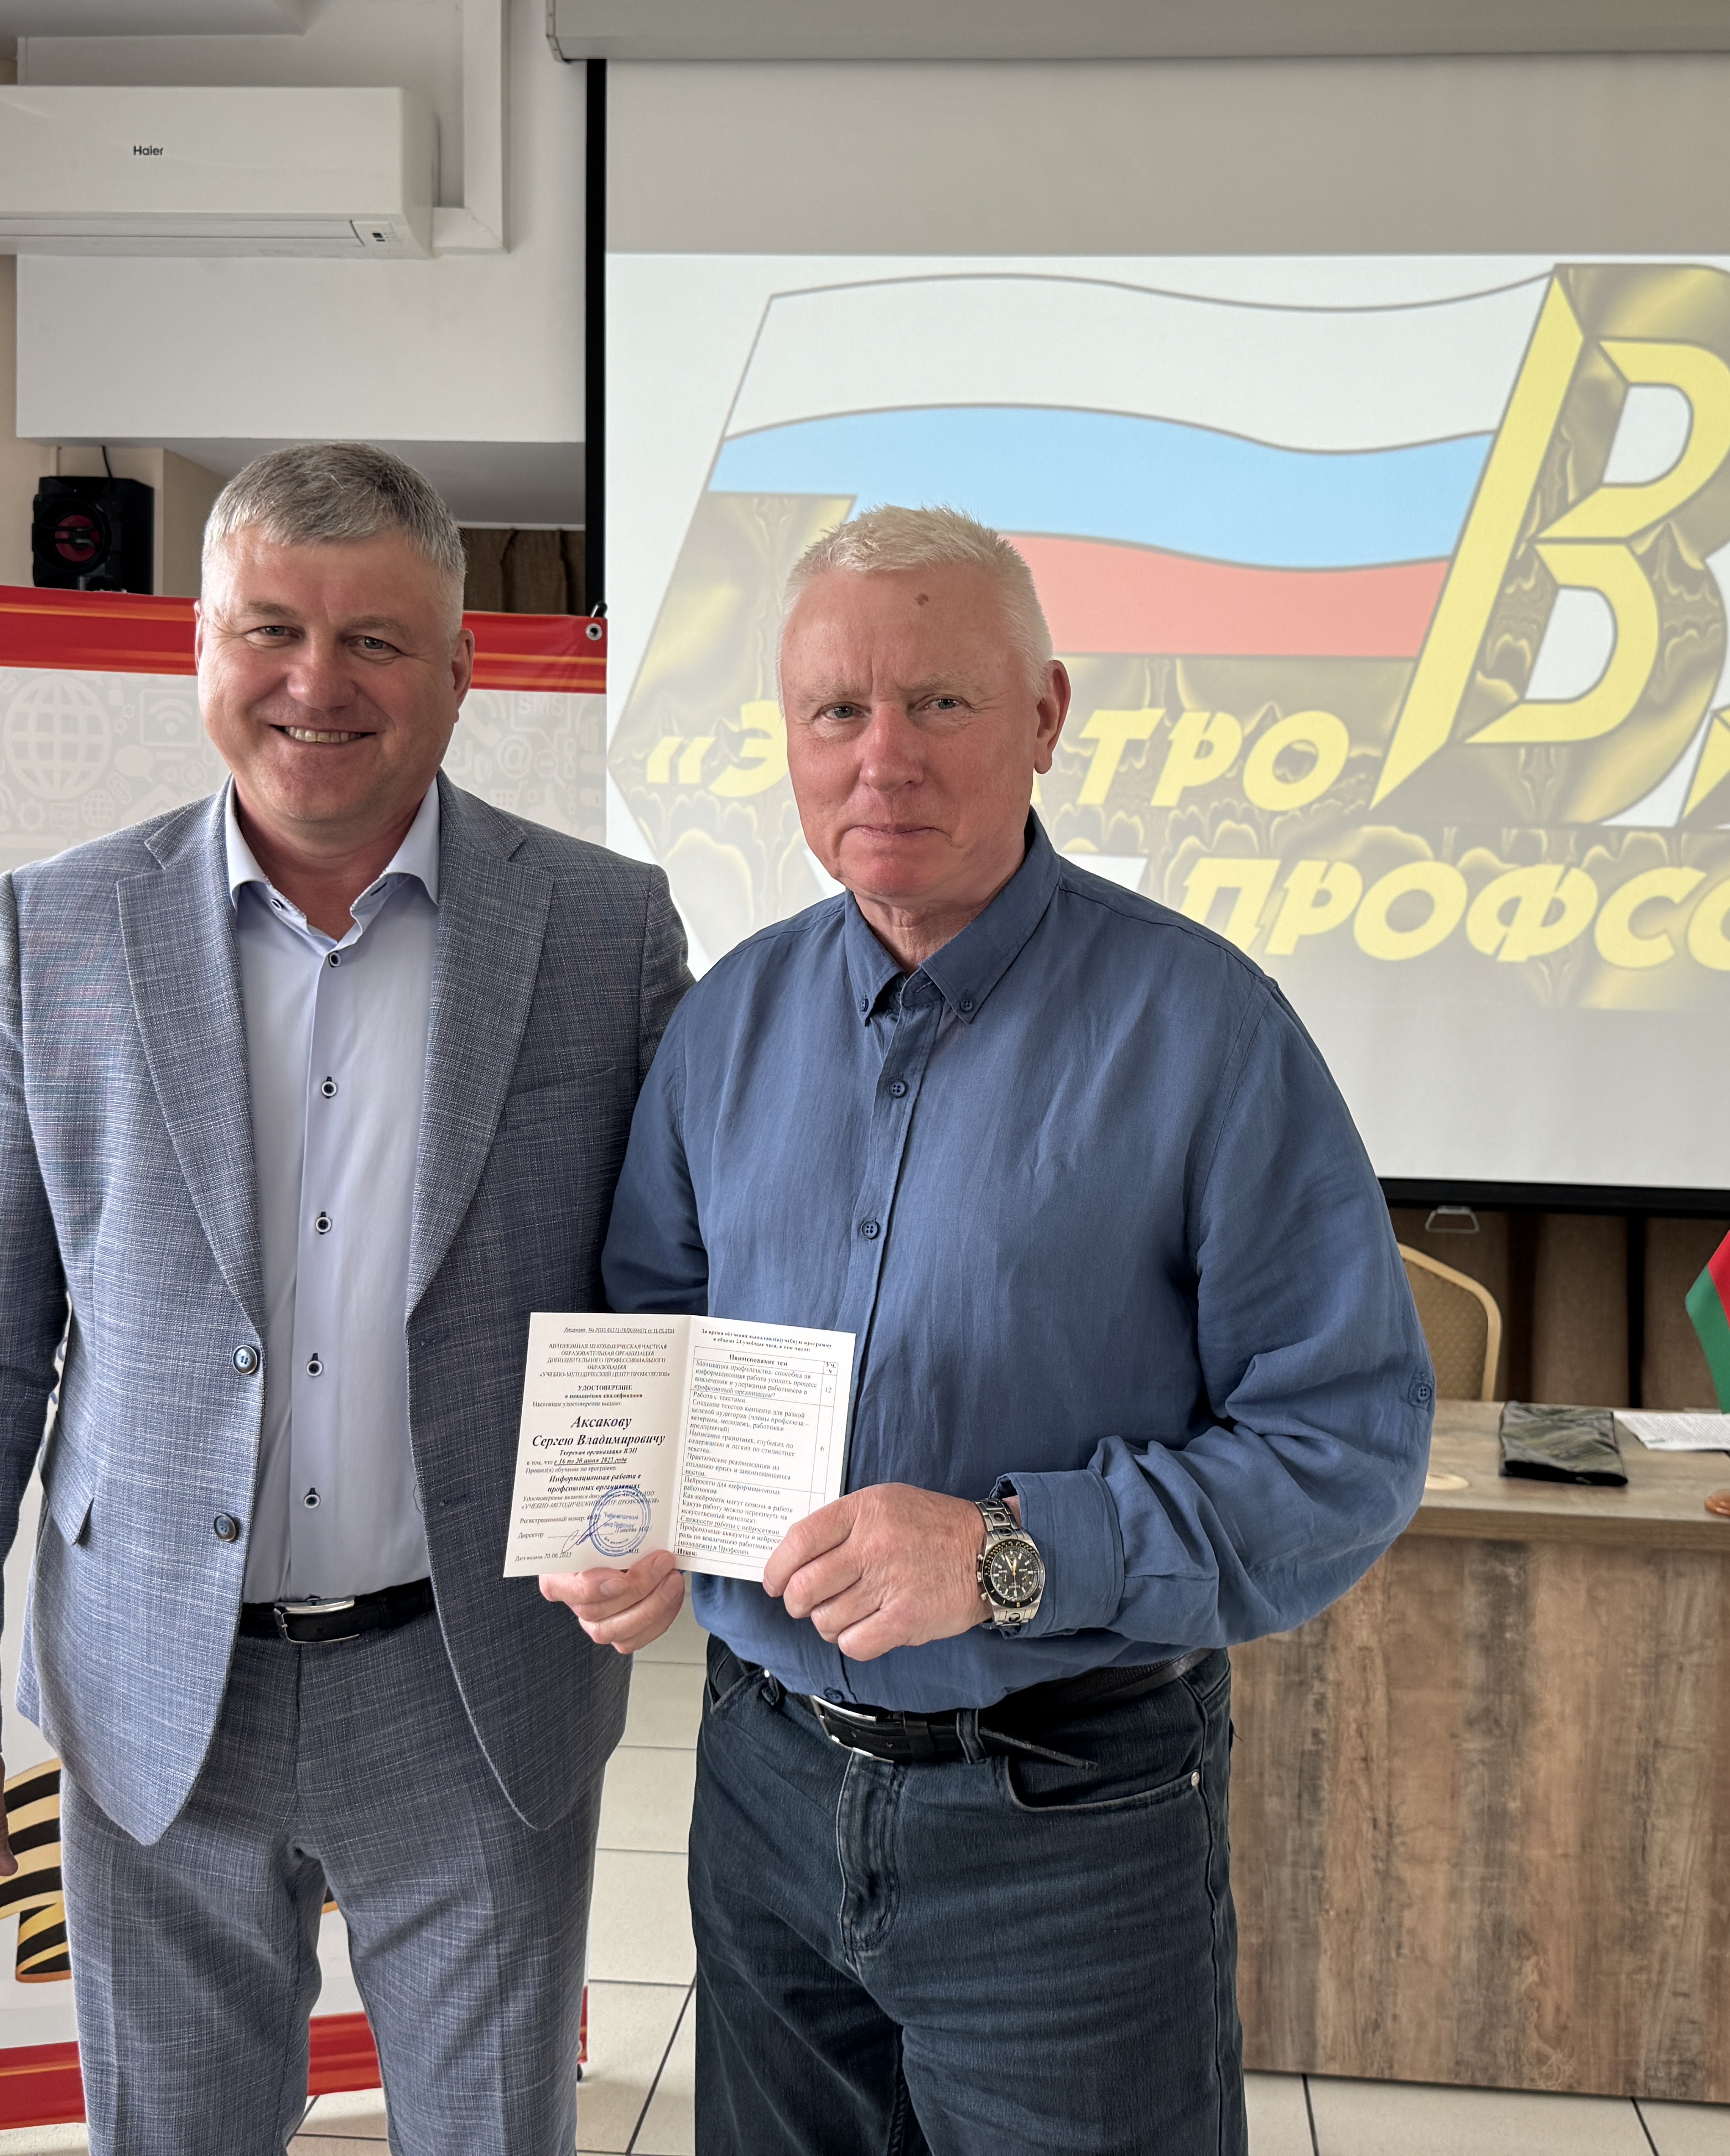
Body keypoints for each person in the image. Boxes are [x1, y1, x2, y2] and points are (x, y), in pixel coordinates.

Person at [546, 504, 1434, 2153]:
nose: (881, 756)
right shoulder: (724, 1025)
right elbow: (657, 1337)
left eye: (939, 702)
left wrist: (1007, 1553)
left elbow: (1345, 1451)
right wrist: (632, 1526)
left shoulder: (1208, 1033)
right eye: (836, 710)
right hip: (763, 1793)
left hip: (1069, 1826)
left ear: (1045, 715)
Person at [0, 444, 688, 2154]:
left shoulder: (604, 930)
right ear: (202, 650)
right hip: (156, 1683)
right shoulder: (60, 930)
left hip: (473, 1685)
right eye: (272, 629)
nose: (319, 680)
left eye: (377, 638)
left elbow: (663, 1278)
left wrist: (664, 1508)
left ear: (460, 669)